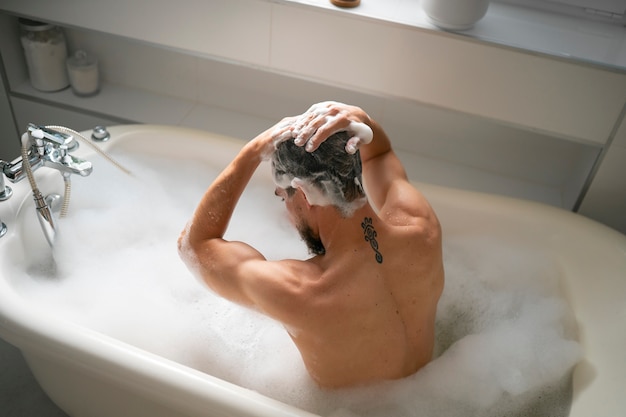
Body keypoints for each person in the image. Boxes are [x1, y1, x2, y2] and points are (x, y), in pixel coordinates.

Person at [178, 101, 444, 388]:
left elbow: (194, 245)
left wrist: (252, 152)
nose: (286, 213)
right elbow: (381, 154)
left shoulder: (302, 291)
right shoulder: (422, 230)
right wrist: (360, 117)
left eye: (283, 197)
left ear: (304, 195)